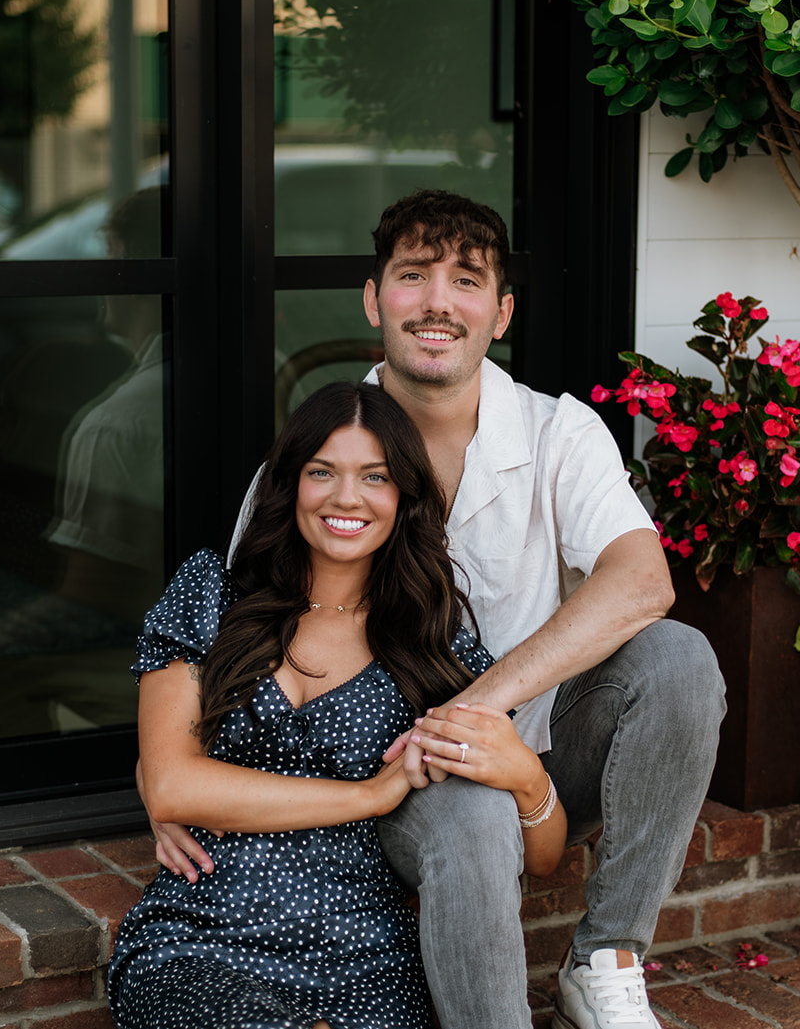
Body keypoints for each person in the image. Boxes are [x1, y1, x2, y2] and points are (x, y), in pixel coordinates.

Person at [155, 190, 726, 1029]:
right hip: (388, 783)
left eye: (466, 281)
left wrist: (468, 718)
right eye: (413, 275)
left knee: (678, 658)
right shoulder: (322, 449)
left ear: (501, 313)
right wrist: (169, 785)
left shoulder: (557, 433)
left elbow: (644, 581)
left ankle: (605, 958)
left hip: (537, 758)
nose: (436, 303)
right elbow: (226, 629)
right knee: (466, 805)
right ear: (373, 298)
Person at [108, 381, 567, 1029]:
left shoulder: (431, 643)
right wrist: (367, 796)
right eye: (322, 471)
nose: (346, 496)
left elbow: (540, 856)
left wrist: (525, 774)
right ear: (289, 482)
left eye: (374, 476)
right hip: (203, 934)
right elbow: (171, 784)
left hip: (364, 952)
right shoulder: (211, 592)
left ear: (403, 497)